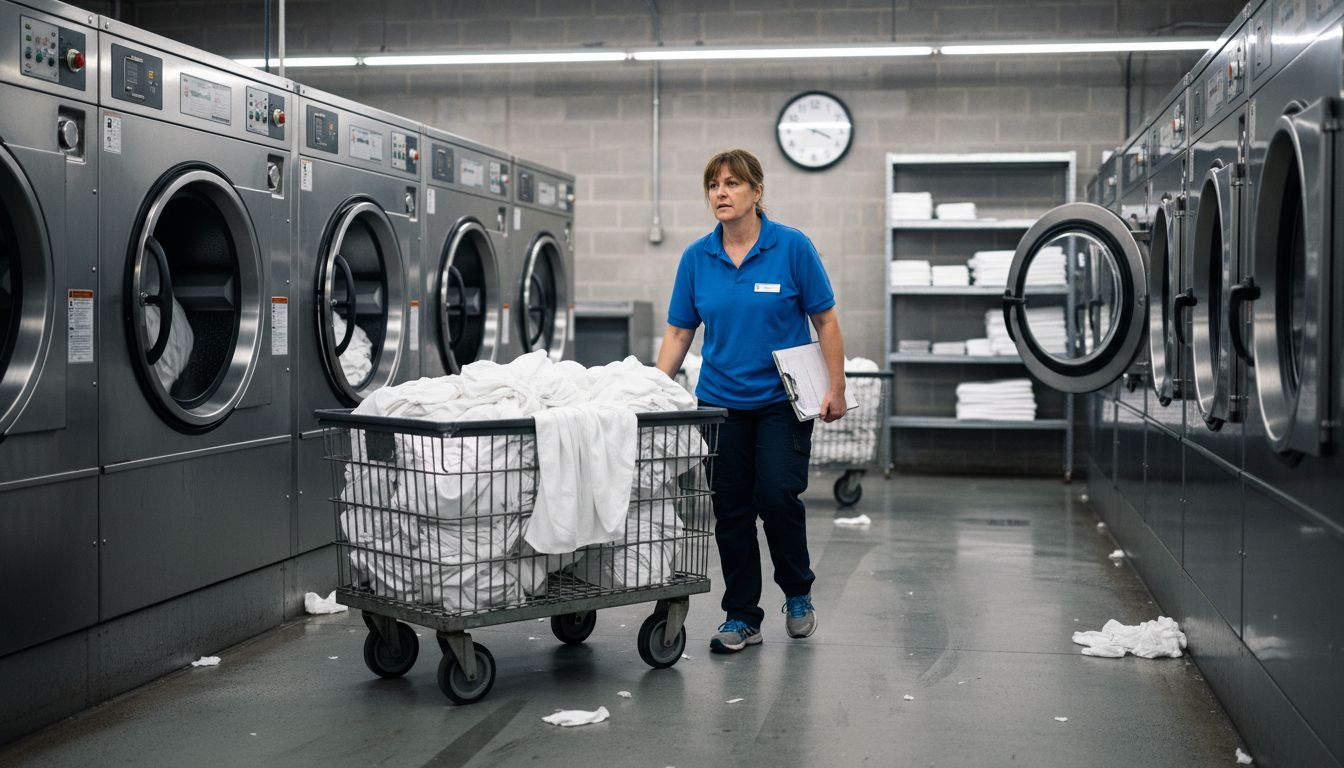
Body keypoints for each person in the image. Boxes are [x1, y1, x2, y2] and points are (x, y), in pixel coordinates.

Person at [655, 148, 847, 654]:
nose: (720, 192)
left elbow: (825, 320)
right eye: (713, 185)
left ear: (757, 192)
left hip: (781, 401)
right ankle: (742, 616)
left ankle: (798, 592)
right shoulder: (698, 257)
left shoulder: (791, 247)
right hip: (720, 404)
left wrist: (837, 386)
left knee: (777, 496)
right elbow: (679, 332)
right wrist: (650, 390)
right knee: (732, 509)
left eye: (732, 184)